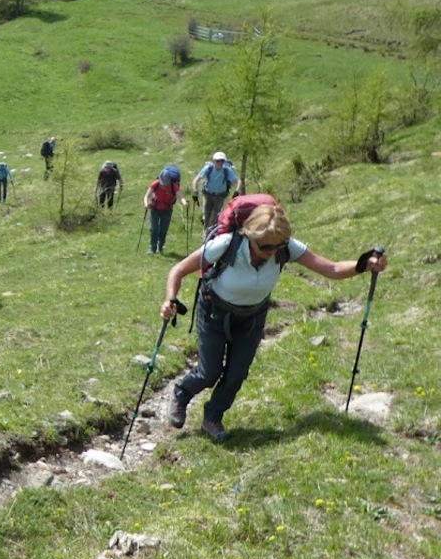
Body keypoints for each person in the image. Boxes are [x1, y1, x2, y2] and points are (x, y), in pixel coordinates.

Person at [160, 202, 388, 443]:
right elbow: (178, 270)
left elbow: (331, 268)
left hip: (252, 316)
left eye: (277, 245)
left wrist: (364, 265)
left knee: (237, 373)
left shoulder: (285, 247)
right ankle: (181, 394)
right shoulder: (227, 244)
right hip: (214, 311)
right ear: (249, 235)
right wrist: (170, 299)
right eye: (265, 246)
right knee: (209, 372)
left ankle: (213, 417)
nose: (272, 251)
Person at [193, 151, 243, 232]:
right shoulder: (208, 168)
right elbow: (196, 179)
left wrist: (237, 191)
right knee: (206, 218)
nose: (220, 163)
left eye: (222, 161)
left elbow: (238, 181)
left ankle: (208, 235)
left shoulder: (227, 170)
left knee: (213, 220)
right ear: (214, 161)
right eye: (218, 161)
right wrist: (195, 192)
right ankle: (207, 235)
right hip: (208, 195)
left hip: (220, 197)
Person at [143, 167, 188, 254]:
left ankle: (160, 246)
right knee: (154, 229)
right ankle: (152, 248)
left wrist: (185, 203)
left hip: (167, 210)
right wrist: (146, 204)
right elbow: (146, 196)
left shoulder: (173, 186)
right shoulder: (155, 184)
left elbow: (180, 197)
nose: (163, 185)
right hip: (155, 208)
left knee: (163, 229)